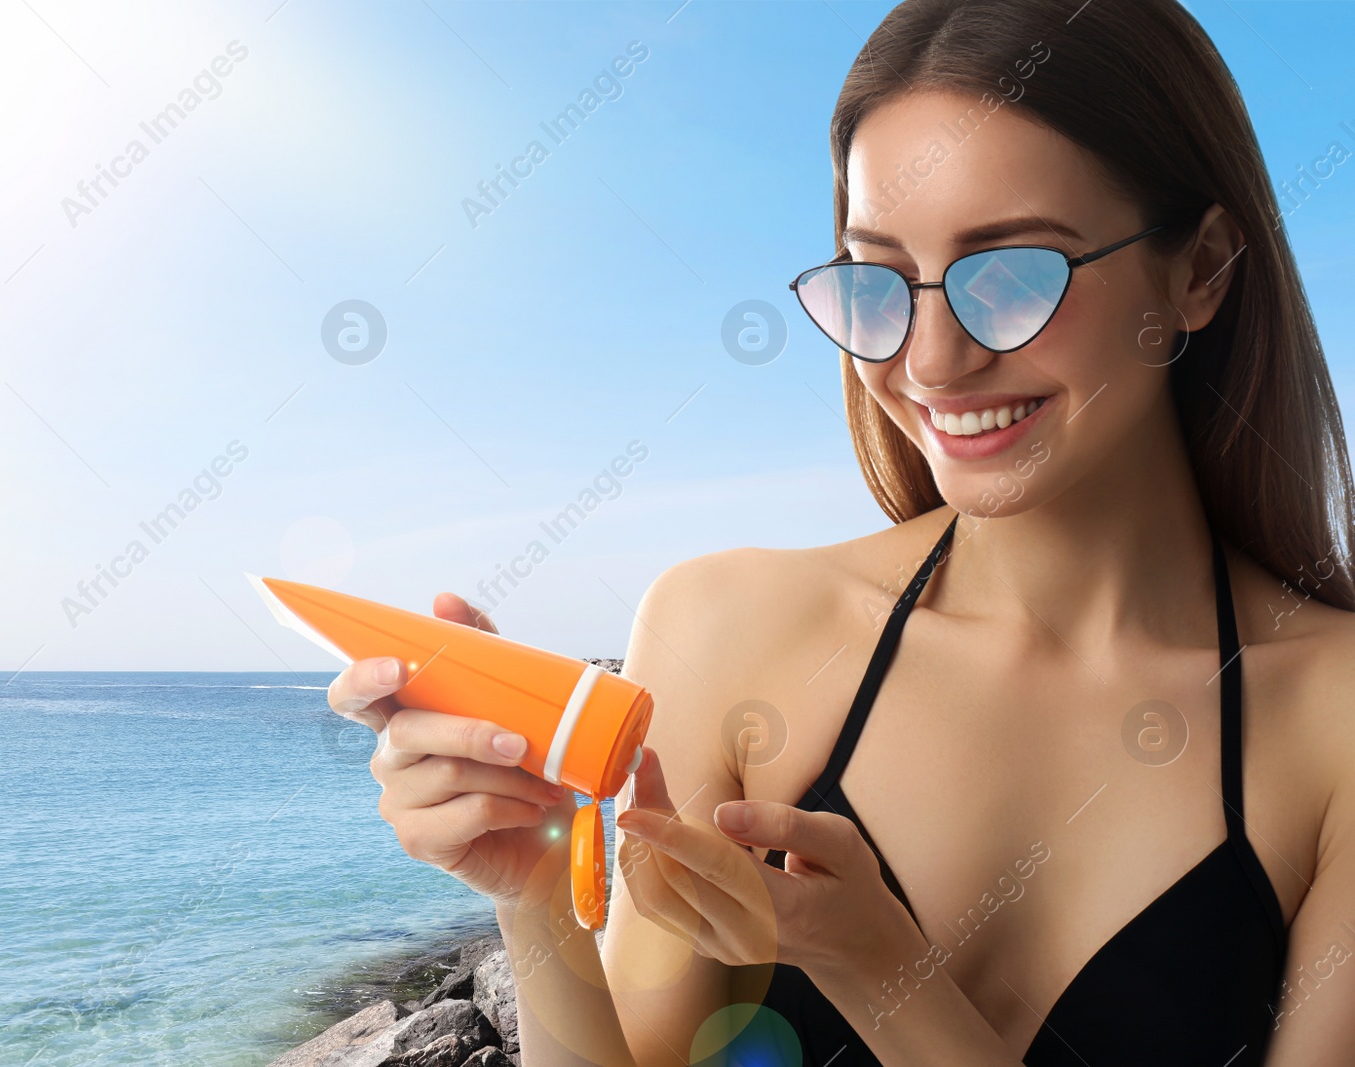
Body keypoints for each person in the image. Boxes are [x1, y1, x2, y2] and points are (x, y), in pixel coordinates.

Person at [325, 0, 1355, 1062]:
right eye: (881, 279)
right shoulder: (725, 627)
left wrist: (882, 973)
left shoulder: (1338, 722)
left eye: (1012, 272)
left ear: (1200, 270)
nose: (931, 361)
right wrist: (538, 899)